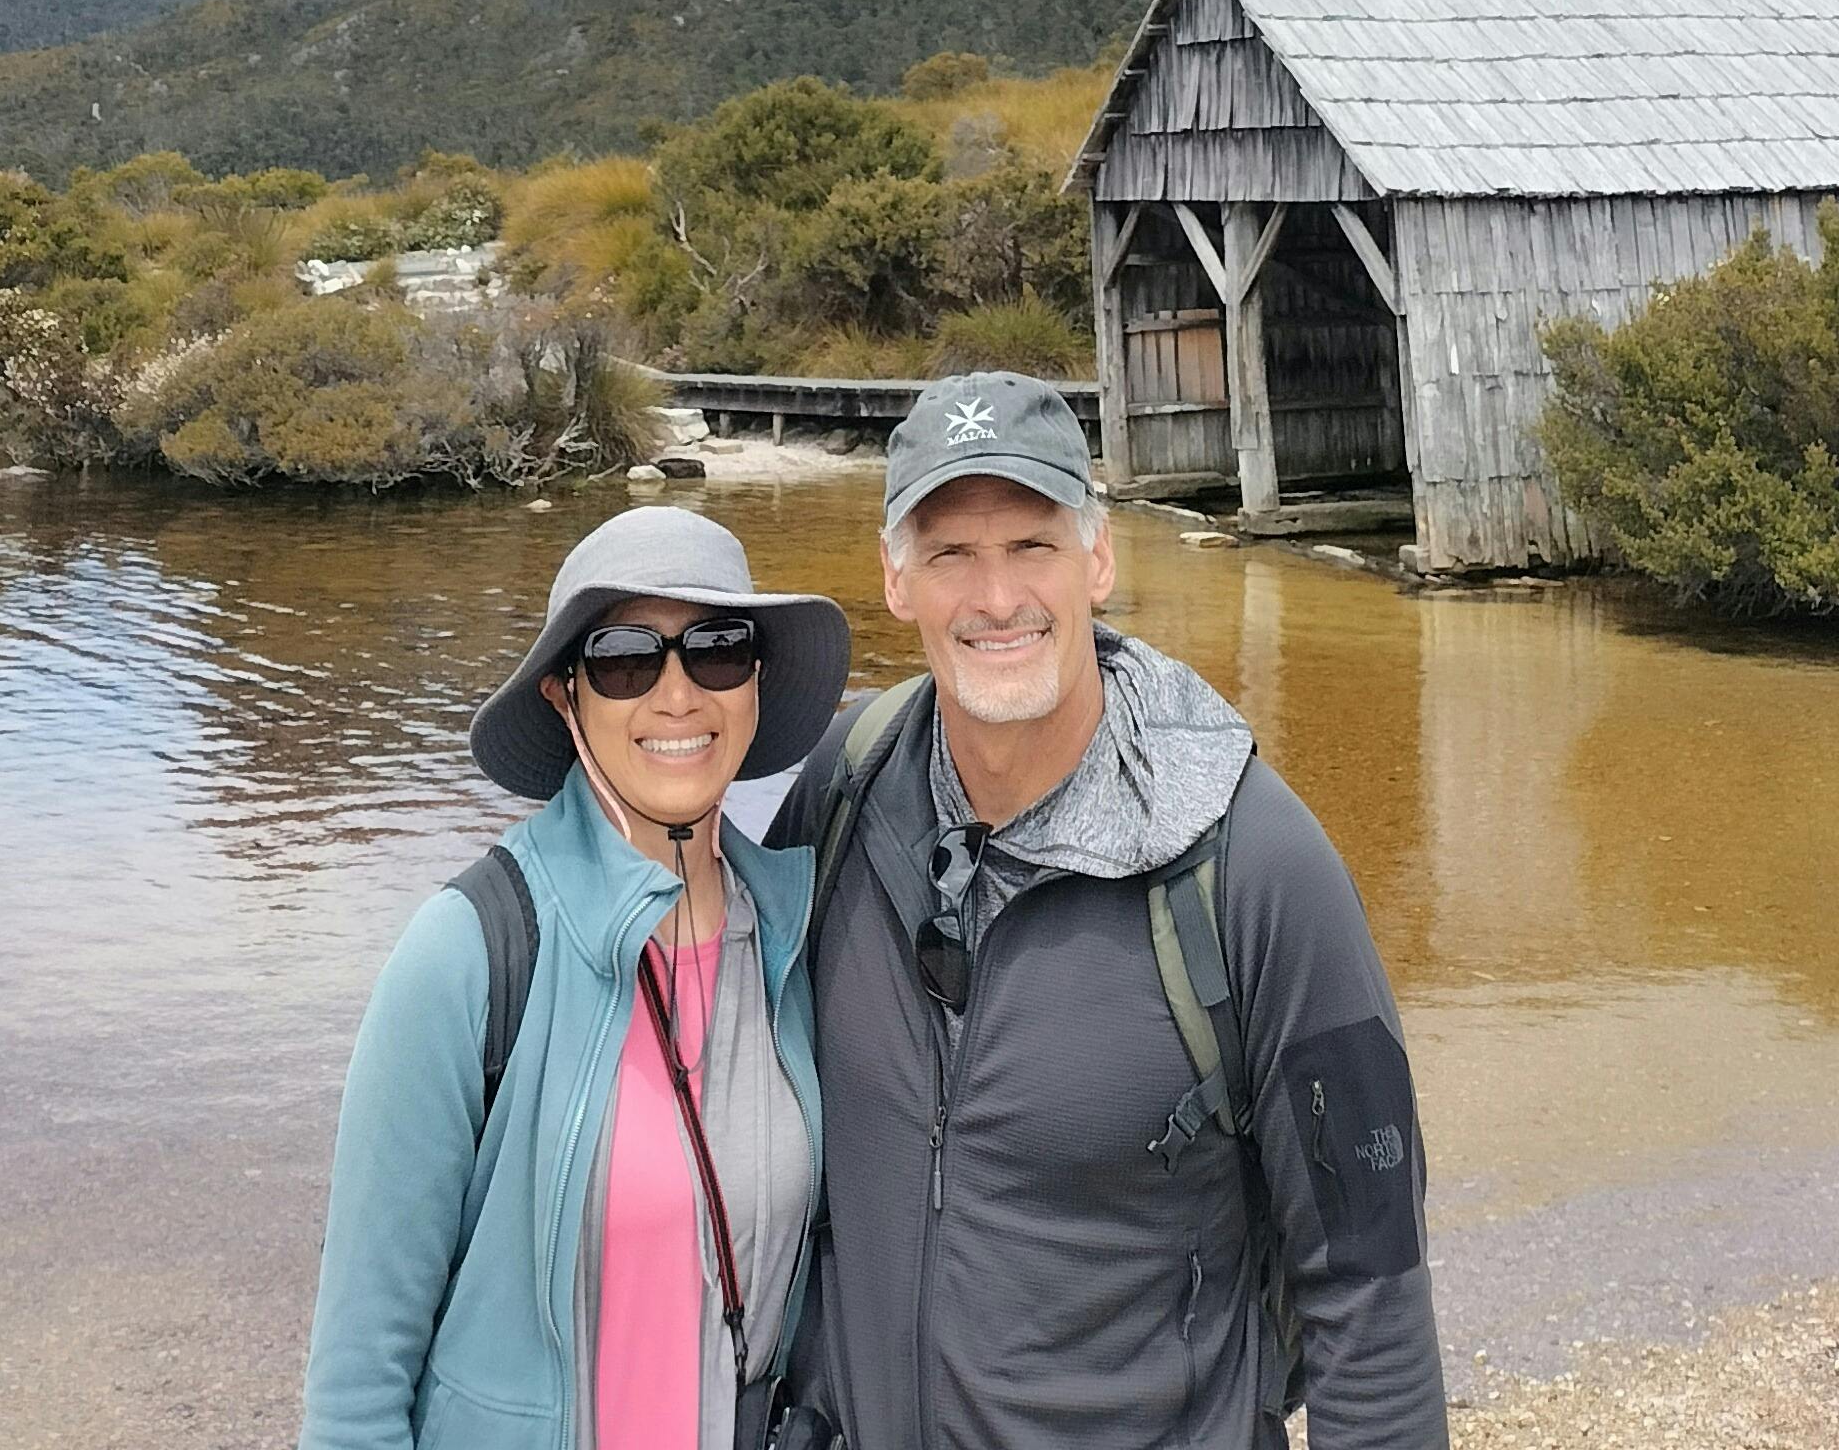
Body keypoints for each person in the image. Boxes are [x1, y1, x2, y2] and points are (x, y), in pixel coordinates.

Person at [774, 374, 1449, 1450]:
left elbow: (1371, 1289)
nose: (997, 597)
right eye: (951, 552)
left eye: (1033, 544)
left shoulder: (1257, 865)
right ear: (895, 579)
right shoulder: (844, 793)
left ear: (1099, 559)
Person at [300, 503, 851, 1450]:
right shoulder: (469, 954)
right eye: (627, 659)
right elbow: (357, 1385)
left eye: (716, 648)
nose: (677, 696)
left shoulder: (795, 941)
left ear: (754, 681)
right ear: (566, 694)